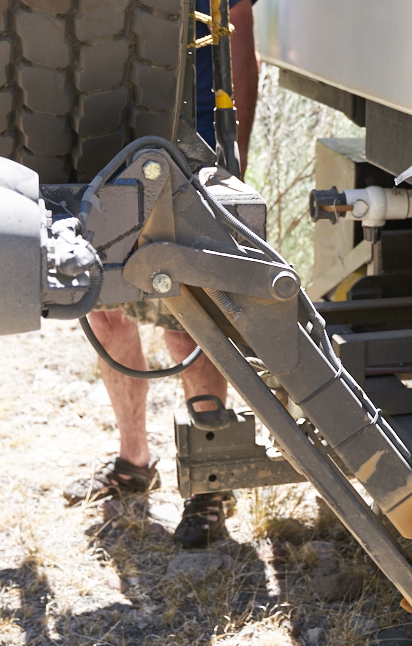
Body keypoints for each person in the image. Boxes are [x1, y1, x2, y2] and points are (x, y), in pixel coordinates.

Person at [63, 0, 259, 550]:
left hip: (192, 155)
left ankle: (211, 482)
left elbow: (239, 30)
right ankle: (134, 463)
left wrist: (234, 159)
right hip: (104, 146)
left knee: (189, 327)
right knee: (105, 314)